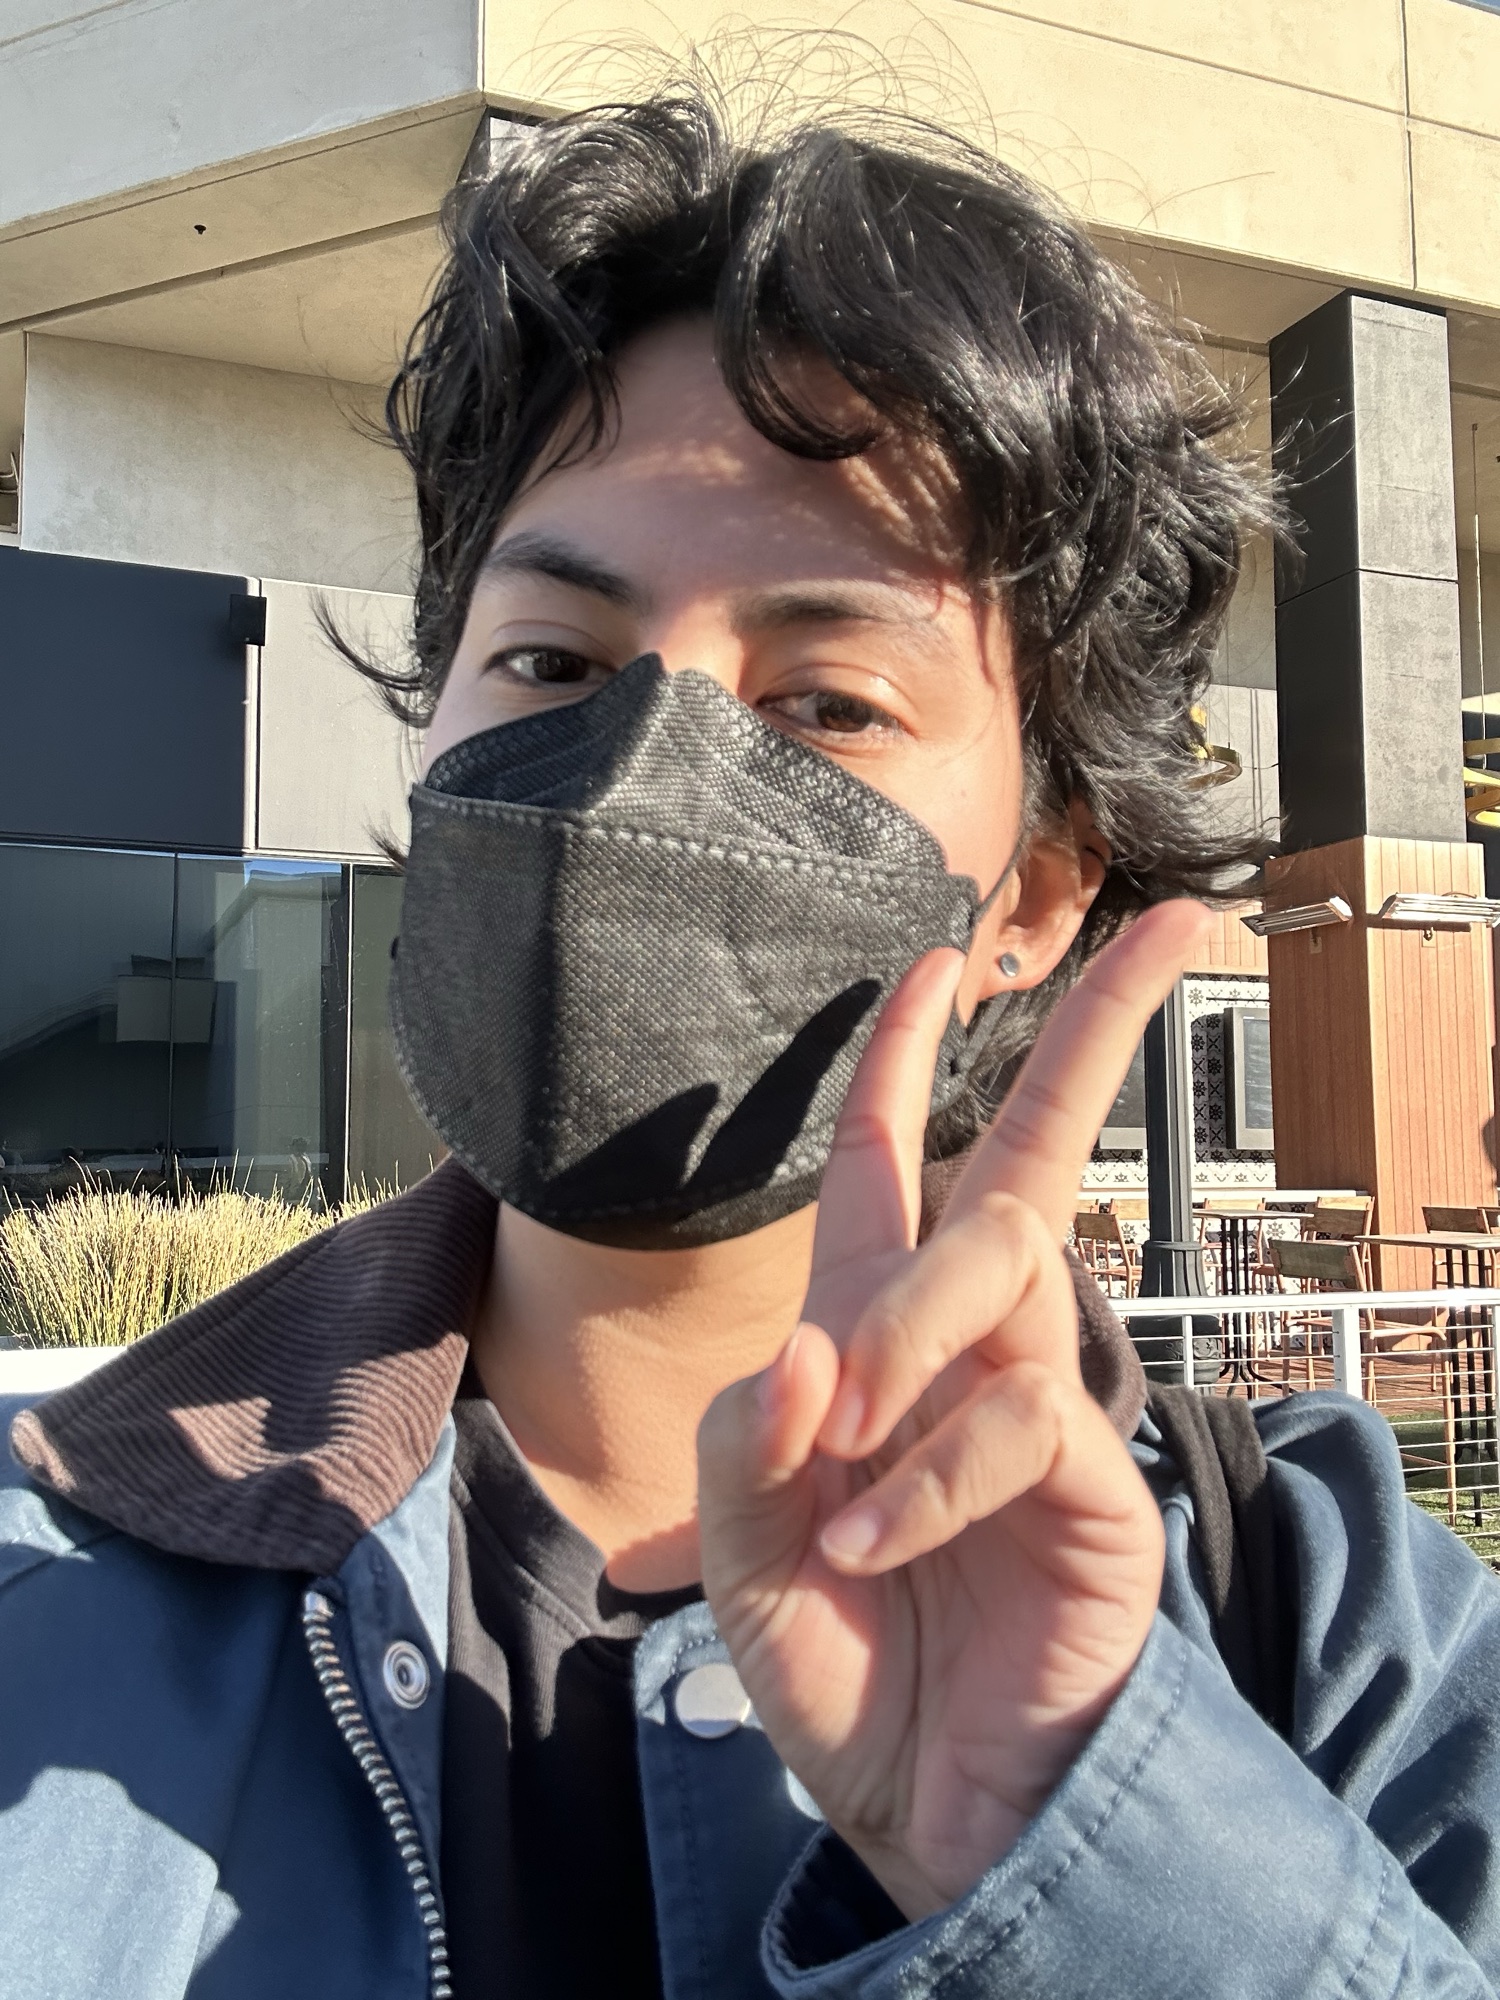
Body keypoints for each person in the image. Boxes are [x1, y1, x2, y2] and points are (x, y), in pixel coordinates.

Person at [3, 87, 1498, 2000]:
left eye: (830, 700)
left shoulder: (1332, 1621)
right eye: (551, 662)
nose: (643, 764)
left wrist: (1091, 1842)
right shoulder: (45, 1589)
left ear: (1037, 895)